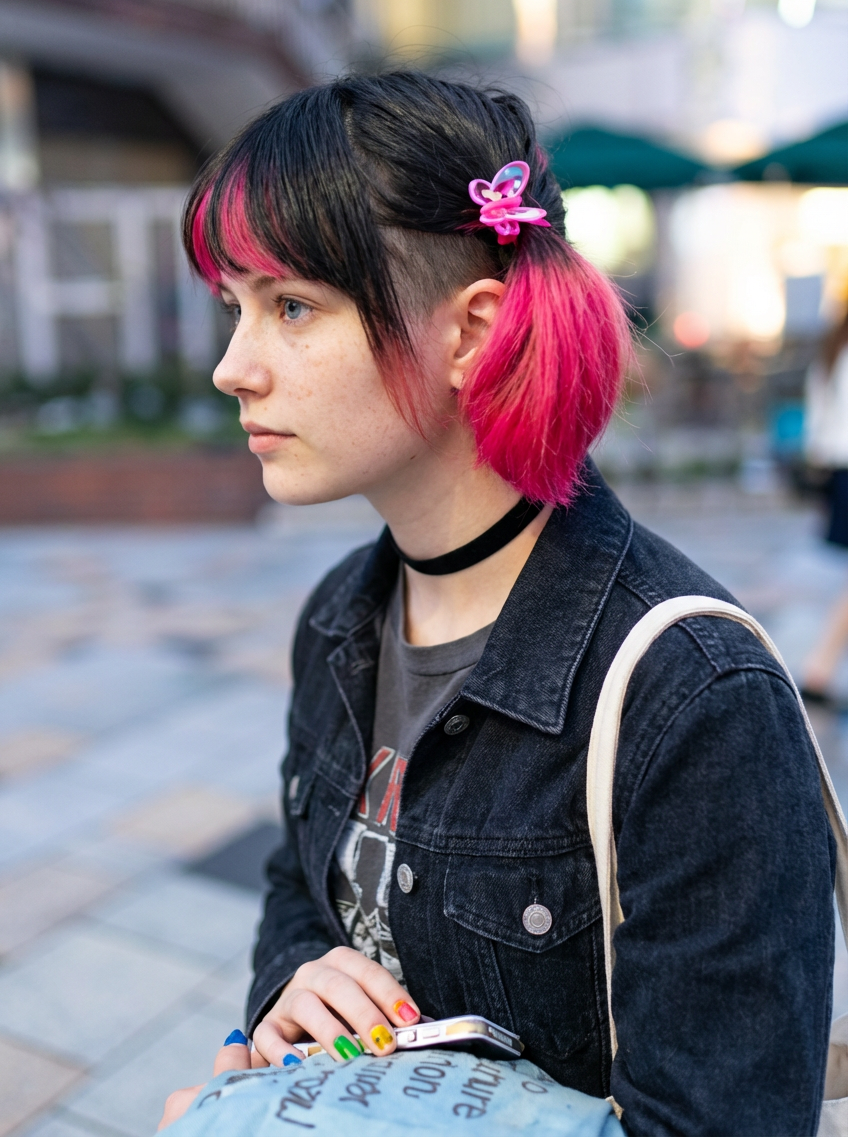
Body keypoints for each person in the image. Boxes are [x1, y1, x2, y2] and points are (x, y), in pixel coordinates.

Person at [163, 73, 834, 1135]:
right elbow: (301, 891)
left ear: (469, 332)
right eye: (235, 308)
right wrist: (294, 982)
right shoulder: (340, 618)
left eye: (290, 306)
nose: (231, 367)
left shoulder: (691, 698)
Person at [803, 297, 848, 706]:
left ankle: (822, 664)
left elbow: (817, 418)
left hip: (838, 469)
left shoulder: (834, 348)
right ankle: (820, 665)